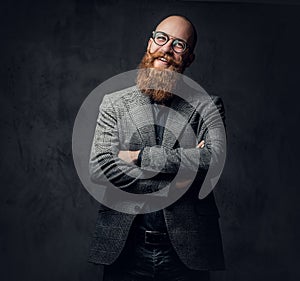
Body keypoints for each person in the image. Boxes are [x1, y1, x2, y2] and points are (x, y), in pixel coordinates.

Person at [88, 15, 226, 281]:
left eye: (179, 44)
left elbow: (214, 160)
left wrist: (139, 157)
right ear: (150, 43)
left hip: (188, 251)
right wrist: (182, 175)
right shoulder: (114, 103)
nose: (166, 48)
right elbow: (98, 168)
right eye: (161, 38)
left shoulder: (208, 106)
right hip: (124, 248)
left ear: (189, 57)